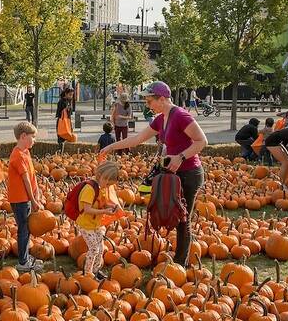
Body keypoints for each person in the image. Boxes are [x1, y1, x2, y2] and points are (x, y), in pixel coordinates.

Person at [101, 81, 208, 267]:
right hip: (173, 174)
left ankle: (180, 263)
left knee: (183, 218)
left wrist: (181, 157)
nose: (147, 105)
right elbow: (137, 139)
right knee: (169, 212)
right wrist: (111, 146)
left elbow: (201, 141)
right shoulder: (161, 118)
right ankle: (178, 257)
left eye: (150, 101)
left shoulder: (180, 115)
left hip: (190, 173)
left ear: (162, 99)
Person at [75, 161, 122, 278]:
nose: (107, 187)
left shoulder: (101, 188)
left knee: (101, 248)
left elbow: (102, 203)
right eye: (107, 184)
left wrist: (111, 206)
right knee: (94, 249)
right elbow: (87, 209)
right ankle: (88, 274)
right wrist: (104, 212)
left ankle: (95, 271)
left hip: (96, 224)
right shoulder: (89, 189)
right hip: (86, 225)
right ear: (102, 176)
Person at [7, 121, 44, 272]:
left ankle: (26, 258)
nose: (34, 140)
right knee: (24, 229)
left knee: (26, 229)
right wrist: (33, 200)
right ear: (23, 136)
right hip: (20, 199)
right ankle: (23, 262)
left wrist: (37, 192)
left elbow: (31, 175)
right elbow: (25, 179)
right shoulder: (17, 156)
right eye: (32, 137)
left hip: (25, 198)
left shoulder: (25, 152)